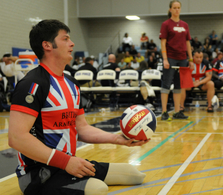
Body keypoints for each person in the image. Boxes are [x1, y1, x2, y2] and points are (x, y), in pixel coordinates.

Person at [8, 19, 148, 195]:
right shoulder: (31, 83)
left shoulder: (72, 83)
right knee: (97, 189)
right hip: (38, 173)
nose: (72, 43)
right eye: (65, 39)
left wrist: (118, 139)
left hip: (67, 163)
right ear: (47, 45)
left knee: (134, 174)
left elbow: (81, 128)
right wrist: (65, 162)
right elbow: (16, 137)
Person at [159, 0, 194, 120]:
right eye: (174, 8)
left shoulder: (185, 25)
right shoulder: (166, 24)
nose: (176, 10)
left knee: (179, 86)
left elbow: (187, 43)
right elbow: (163, 43)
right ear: (170, 9)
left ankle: (177, 111)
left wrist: (190, 59)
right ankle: (164, 112)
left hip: (183, 59)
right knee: (166, 85)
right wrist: (165, 59)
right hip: (170, 58)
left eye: (178, 7)